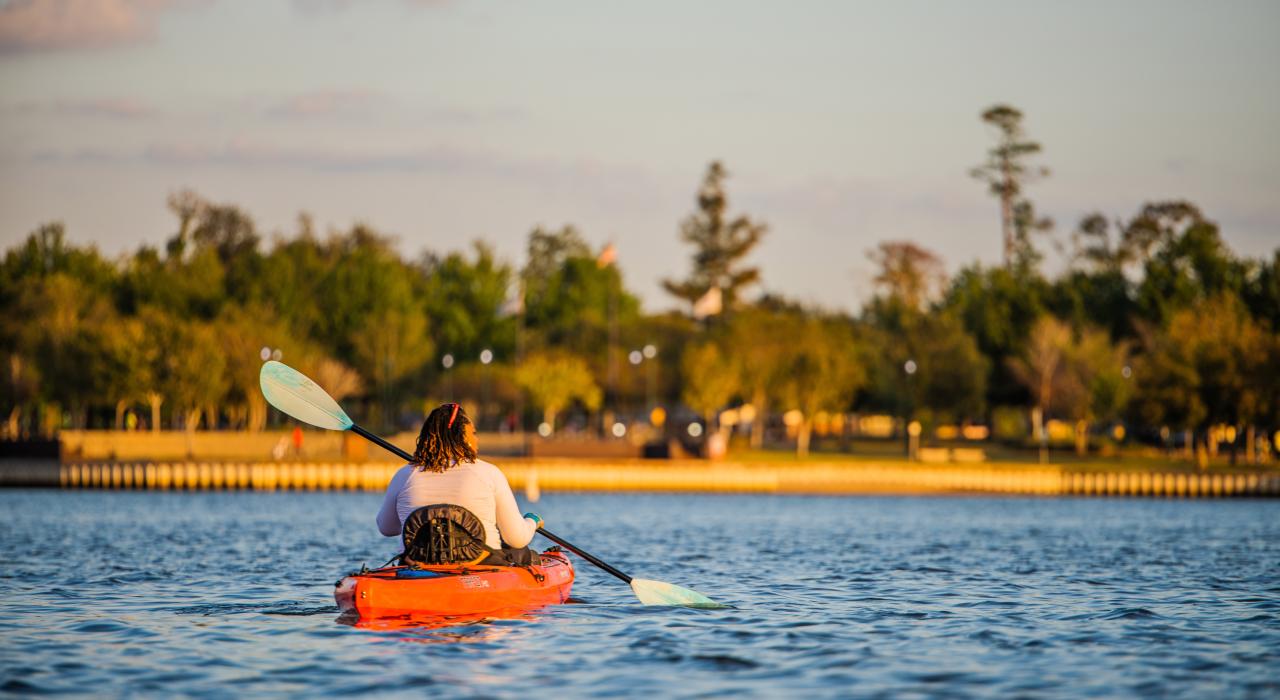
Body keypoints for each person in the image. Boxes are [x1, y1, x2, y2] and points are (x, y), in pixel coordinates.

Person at [376, 403, 543, 567]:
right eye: (474, 433)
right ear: (462, 437)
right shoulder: (489, 473)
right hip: (480, 565)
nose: (477, 439)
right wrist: (532, 521)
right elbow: (516, 538)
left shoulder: (404, 475)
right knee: (525, 554)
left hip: (417, 565)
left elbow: (387, 528)